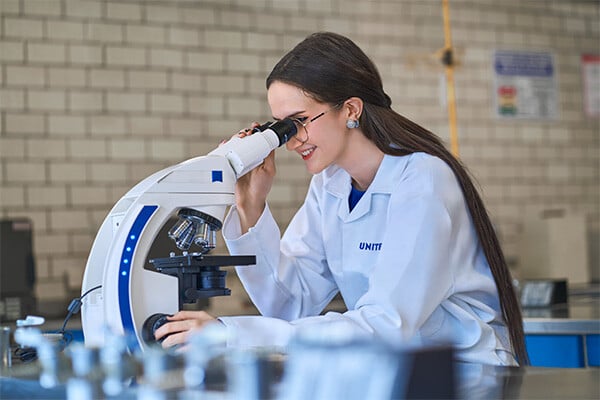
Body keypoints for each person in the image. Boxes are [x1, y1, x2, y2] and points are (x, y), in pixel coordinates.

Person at [155, 31, 528, 366]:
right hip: (399, 369)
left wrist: (234, 334)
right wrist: (250, 208)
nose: (292, 140)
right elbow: (292, 305)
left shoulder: (422, 180)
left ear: (350, 109)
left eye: (298, 121)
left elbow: (386, 324)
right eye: (281, 127)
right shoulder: (330, 184)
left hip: (469, 371)